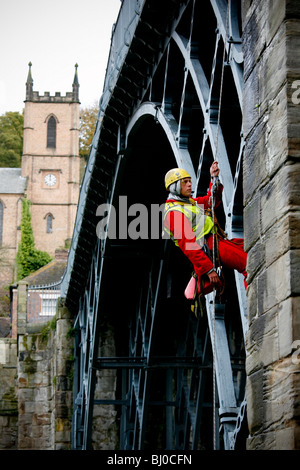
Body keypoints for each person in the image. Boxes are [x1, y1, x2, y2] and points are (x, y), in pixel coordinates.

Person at [163, 162, 247, 292]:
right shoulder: (174, 213)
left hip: (215, 242)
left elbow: (211, 201)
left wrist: (214, 178)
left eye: (190, 181)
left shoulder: (188, 203)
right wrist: (208, 269)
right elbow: (189, 246)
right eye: (185, 182)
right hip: (210, 247)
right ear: (174, 187)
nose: (190, 184)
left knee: (249, 250)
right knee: (247, 263)